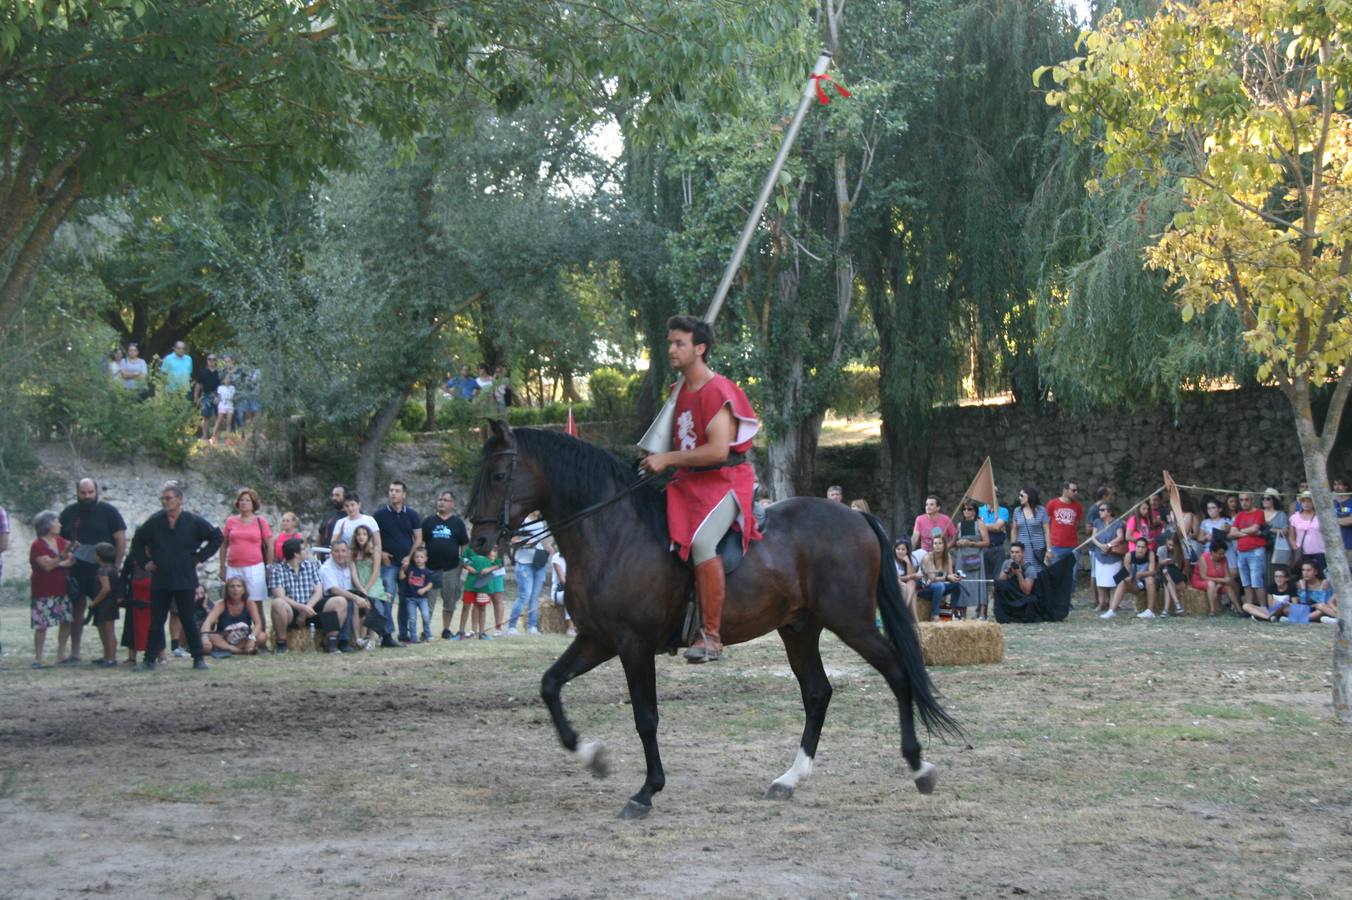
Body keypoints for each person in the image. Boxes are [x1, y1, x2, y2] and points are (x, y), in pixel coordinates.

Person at [639, 314, 763, 663]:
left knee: (703, 543)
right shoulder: (678, 390)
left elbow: (717, 450)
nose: (671, 349)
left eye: (680, 343)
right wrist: (656, 456)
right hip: (689, 483)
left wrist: (668, 459)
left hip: (725, 481)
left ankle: (711, 635)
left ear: (700, 348)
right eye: (670, 342)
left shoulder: (717, 390)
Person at [128, 481, 223, 671]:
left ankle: (198, 659)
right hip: (161, 578)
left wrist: (199, 557)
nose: (164, 502)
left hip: (185, 577)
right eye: (162, 499)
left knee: (188, 618)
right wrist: (145, 563)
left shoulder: (193, 521)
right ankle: (149, 660)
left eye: (168, 498)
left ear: (179, 500)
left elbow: (216, 537)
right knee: (156, 620)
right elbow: (137, 542)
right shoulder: (155, 522)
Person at [58, 477, 127, 665]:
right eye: (83, 493)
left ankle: (109, 656)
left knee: (104, 615)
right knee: (76, 611)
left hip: (102, 571)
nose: (87, 496)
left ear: (96, 492)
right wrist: (66, 553)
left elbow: (120, 539)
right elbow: (60, 539)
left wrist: (116, 565)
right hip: (76, 569)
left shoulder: (109, 511)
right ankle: (75, 653)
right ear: (77, 493)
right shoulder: (69, 513)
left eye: (90, 492)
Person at [373, 480, 422, 644]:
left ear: (404, 494)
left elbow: (418, 538)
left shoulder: (412, 514)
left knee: (406, 599)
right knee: (387, 598)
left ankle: (404, 633)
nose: (393, 493)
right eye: (391, 490)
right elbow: (373, 539)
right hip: (388, 564)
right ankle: (387, 634)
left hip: (408, 564)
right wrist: (381, 553)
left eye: (397, 491)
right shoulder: (379, 515)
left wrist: (410, 556)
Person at [219, 487, 273, 627]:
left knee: (256, 603)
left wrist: (269, 566)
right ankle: (234, 632)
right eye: (241, 500)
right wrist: (222, 567)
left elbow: (269, 544)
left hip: (254, 567)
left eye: (247, 500)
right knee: (232, 600)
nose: (244, 503)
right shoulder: (231, 521)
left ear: (253, 503)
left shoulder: (260, 521)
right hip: (233, 567)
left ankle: (260, 637)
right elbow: (224, 545)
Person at [267, 537, 331, 652]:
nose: (306, 551)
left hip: (311, 607)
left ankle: (332, 642)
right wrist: (302, 608)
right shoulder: (277, 570)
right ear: (296, 554)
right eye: (303, 549)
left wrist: (307, 609)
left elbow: (319, 591)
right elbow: (281, 596)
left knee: (337, 601)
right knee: (277, 603)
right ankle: (282, 643)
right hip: (292, 609)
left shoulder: (311, 566)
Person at [29, 511, 76, 668]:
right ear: (48, 525)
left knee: (66, 621)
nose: (60, 525)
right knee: (41, 625)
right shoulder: (37, 545)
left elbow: (71, 561)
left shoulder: (60, 541)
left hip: (62, 588)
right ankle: (38, 658)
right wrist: (61, 559)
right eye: (57, 522)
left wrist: (58, 561)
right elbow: (47, 566)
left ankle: (61, 654)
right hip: (43, 589)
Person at [421, 490, 469, 640]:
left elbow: (464, 545)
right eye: (440, 499)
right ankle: (426, 631)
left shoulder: (458, 523)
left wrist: (463, 561)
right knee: (428, 602)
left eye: (446, 500)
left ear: (452, 504)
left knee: (450, 601)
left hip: (451, 568)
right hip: (431, 568)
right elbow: (421, 542)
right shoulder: (429, 521)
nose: (441, 502)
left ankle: (446, 629)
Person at [317, 540, 368, 653]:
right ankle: (343, 641)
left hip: (345, 596)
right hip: (329, 601)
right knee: (348, 602)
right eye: (337, 551)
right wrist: (355, 598)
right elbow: (334, 590)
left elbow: (356, 584)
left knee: (369, 602)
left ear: (348, 552)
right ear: (331, 552)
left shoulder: (349, 565)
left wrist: (363, 596)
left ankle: (366, 639)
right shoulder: (326, 568)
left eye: (343, 551)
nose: (340, 554)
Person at [507, 511, 550, 636]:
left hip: (539, 561)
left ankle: (532, 627)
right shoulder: (523, 521)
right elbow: (514, 540)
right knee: (524, 595)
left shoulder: (541, 522)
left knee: (534, 597)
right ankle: (512, 627)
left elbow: (543, 540)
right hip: (524, 562)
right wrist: (528, 543)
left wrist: (548, 547)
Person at [350, 524, 392, 649]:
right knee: (356, 606)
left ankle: (372, 639)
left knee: (373, 605)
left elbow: (375, 572)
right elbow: (353, 573)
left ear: (368, 536)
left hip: (372, 584)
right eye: (358, 534)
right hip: (359, 584)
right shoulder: (352, 553)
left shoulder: (375, 551)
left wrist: (367, 589)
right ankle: (358, 638)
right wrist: (361, 589)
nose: (361, 537)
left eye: (364, 534)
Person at [202, 577, 266, 656]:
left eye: (238, 586)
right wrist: (205, 638)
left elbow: (258, 624)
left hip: (244, 639)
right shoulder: (221, 604)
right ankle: (239, 651)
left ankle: (239, 648)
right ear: (227, 590)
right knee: (211, 636)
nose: (235, 589)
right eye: (232, 586)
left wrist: (252, 639)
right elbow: (208, 621)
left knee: (262, 636)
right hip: (224, 639)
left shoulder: (250, 604)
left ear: (243, 590)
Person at [1228, 492, 1268, 613]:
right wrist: (1247, 532)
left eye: (1246, 500)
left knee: (1257, 581)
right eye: (1241, 500)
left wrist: (1240, 531)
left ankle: (1263, 608)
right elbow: (1231, 533)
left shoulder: (1259, 512)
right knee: (1246, 582)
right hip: (1242, 552)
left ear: (1252, 500)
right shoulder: (1240, 515)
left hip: (1256, 551)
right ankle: (1250, 608)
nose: (1244, 502)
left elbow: (1255, 528)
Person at [1102, 537, 1158, 619]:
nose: (1140, 549)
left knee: (1149, 579)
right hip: (1136, 583)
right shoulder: (1129, 555)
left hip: (1148, 582)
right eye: (1138, 547)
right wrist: (1128, 578)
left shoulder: (1150, 554)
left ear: (1146, 548)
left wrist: (1142, 574)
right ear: (1135, 547)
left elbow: (1152, 571)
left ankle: (1150, 611)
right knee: (1122, 583)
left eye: (1143, 547)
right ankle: (1111, 610)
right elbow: (1126, 572)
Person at [86, 542, 122, 667]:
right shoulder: (113, 569)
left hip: (106, 604)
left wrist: (94, 602)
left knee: (108, 631)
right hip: (110, 603)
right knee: (105, 630)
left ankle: (111, 658)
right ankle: (107, 656)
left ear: (99, 556)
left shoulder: (103, 571)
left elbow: (106, 588)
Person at [460, 544, 505, 640]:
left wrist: (490, 568)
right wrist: (467, 566)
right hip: (470, 584)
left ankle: (481, 632)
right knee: (466, 607)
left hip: (483, 585)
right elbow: (463, 559)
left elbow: (500, 563)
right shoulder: (470, 549)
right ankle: (462, 632)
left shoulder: (489, 547)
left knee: (482, 607)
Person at [953, 503, 989, 619]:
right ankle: (962, 614)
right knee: (962, 583)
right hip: (962, 556)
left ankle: (982, 613)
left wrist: (971, 543)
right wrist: (957, 543)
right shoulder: (959, 525)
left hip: (976, 556)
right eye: (964, 509)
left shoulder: (980, 524)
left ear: (975, 511)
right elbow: (954, 541)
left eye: (970, 509)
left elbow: (986, 542)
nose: (967, 511)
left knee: (979, 582)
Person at [1088, 502, 1126, 612]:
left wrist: (1109, 545)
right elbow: (1093, 537)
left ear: (1108, 512)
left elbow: (1120, 537)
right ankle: (1101, 603)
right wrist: (1101, 546)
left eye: (1102, 509)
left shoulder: (1117, 523)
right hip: (1099, 554)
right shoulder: (1097, 522)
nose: (1099, 511)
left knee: (1114, 582)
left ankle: (1112, 604)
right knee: (1100, 581)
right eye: (1100, 509)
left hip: (1113, 555)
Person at [1045, 481, 1084, 588]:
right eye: (1073, 490)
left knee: (1072, 576)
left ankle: (1068, 601)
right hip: (1056, 546)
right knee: (1055, 575)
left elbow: (1077, 523)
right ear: (1065, 490)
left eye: (1077, 490)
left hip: (1073, 546)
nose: (1076, 492)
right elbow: (1046, 525)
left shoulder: (1078, 506)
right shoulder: (1052, 504)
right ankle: (1055, 601)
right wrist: (1048, 548)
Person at [977, 488, 1010, 615]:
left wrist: (983, 526)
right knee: (982, 580)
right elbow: (993, 527)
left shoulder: (1003, 511)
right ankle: (981, 611)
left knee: (999, 580)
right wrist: (993, 527)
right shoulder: (979, 510)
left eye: (994, 495)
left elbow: (998, 527)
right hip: (982, 548)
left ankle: (999, 610)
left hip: (997, 548)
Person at [1009, 486, 1051, 579]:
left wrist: (1049, 550)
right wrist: (1013, 548)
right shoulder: (1017, 511)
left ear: (1029, 496)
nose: (1019, 497)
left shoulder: (1041, 510)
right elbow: (1014, 530)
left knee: (1038, 572)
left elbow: (1047, 531)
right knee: (1023, 571)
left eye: (1021, 495)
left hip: (1038, 548)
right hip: (1022, 548)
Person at [1191, 537, 1239, 616]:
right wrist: (1221, 580)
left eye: (1223, 553)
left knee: (1229, 585)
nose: (1222, 556)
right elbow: (1204, 576)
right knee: (1211, 584)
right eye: (1219, 554)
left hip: (1217, 582)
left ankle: (1238, 609)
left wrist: (1218, 587)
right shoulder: (1204, 558)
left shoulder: (1224, 559)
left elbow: (1227, 578)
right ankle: (1212, 610)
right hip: (1200, 580)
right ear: (1212, 552)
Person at [920, 536, 964, 621]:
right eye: (935, 543)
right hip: (925, 588)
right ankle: (935, 615)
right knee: (939, 586)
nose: (937, 545)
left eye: (940, 543)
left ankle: (952, 610)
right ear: (932, 546)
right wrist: (947, 577)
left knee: (956, 586)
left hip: (939, 587)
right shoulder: (928, 557)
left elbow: (950, 575)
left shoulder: (947, 556)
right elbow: (932, 579)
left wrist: (955, 577)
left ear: (944, 545)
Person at [330, 493, 382, 559]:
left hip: (366, 560)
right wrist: (340, 533)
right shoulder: (340, 522)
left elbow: (377, 544)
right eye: (347, 506)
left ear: (359, 505)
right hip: (346, 560)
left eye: (352, 505)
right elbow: (333, 543)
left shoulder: (370, 520)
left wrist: (376, 561)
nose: (350, 508)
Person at [400, 547, 435, 643]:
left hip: (422, 599)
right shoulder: (410, 569)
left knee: (425, 616)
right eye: (416, 557)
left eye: (421, 557)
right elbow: (402, 577)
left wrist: (424, 589)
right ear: (413, 558)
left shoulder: (427, 572)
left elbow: (430, 584)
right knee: (412, 618)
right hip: (410, 598)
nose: (419, 559)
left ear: (426, 559)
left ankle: (428, 635)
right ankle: (413, 637)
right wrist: (402, 569)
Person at [1289, 491, 1326, 575]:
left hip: (1320, 552)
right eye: (1304, 501)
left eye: (1309, 501)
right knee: (1304, 576)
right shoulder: (1294, 517)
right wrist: (1295, 547)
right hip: (1303, 553)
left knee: (1321, 575)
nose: (1306, 504)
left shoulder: (1320, 516)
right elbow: (1291, 536)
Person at [1261, 488, 1292, 574]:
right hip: (1260, 547)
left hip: (1276, 547)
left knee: (1275, 571)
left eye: (1268, 498)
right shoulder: (1259, 513)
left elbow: (1285, 531)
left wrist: (1270, 530)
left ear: (1274, 500)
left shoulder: (1281, 515)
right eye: (1263, 498)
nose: (1265, 500)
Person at [192, 352, 221, 440]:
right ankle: (205, 435)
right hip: (206, 396)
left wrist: (220, 397)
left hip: (217, 395)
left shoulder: (219, 372)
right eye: (209, 359)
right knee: (205, 417)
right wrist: (196, 397)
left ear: (216, 361)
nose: (211, 361)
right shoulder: (202, 372)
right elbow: (198, 385)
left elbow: (223, 386)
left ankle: (216, 436)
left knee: (218, 417)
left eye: (213, 359)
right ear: (207, 360)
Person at [1157, 532, 1188, 616]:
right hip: (1165, 573)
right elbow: (1159, 565)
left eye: (1173, 545)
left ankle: (1167, 609)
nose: (1171, 547)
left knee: (1166, 580)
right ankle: (1176, 604)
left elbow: (1186, 568)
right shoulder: (1161, 549)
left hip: (1178, 574)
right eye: (1169, 545)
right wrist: (1164, 562)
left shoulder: (1182, 550)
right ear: (1166, 541)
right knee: (1165, 572)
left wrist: (1175, 562)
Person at [893, 538, 923, 620]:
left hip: (905, 585)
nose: (900, 551)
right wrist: (913, 576)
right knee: (910, 588)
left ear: (907, 551)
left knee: (912, 583)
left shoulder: (907, 560)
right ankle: (913, 618)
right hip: (894, 585)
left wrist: (908, 563)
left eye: (903, 549)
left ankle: (907, 612)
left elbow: (909, 577)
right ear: (894, 550)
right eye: (898, 549)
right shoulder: (892, 561)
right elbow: (896, 578)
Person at [549, 546, 572, 636]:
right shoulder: (556, 558)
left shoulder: (576, 557)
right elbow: (563, 580)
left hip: (574, 589)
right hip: (559, 591)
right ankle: (570, 628)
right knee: (571, 596)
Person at [1334, 476, 1352, 571]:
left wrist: (1332, 521)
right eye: (1335, 484)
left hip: (1349, 544)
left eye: (1340, 484)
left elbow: (1350, 521)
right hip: (1334, 545)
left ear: (1346, 487)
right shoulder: (1331, 502)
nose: (1337, 487)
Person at [213, 373, 236, 442]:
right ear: (223, 380)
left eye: (228, 378)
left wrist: (233, 399)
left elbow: (233, 397)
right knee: (219, 421)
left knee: (229, 422)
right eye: (226, 379)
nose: (227, 380)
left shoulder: (232, 388)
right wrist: (216, 400)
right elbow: (219, 397)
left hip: (230, 405)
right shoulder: (220, 388)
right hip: (222, 405)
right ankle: (214, 436)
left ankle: (228, 438)